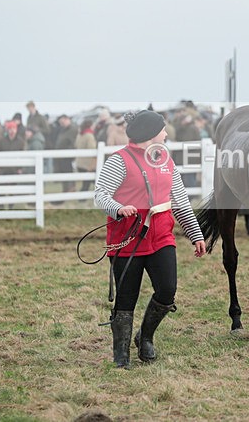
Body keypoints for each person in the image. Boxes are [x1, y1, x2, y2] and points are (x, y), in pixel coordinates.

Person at [94, 110, 207, 368]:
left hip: (161, 237)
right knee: (126, 298)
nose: (166, 134)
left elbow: (180, 201)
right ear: (151, 133)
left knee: (167, 291)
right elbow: (100, 194)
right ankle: (121, 355)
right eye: (162, 130)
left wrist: (195, 234)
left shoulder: (166, 161)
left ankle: (145, 337)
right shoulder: (119, 160)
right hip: (127, 240)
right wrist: (118, 208)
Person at [75, 119, 97, 192]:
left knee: (86, 183)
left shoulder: (80, 134)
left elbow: (76, 145)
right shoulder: (89, 135)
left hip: (80, 163)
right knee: (93, 182)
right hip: (88, 164)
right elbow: (92, 148)